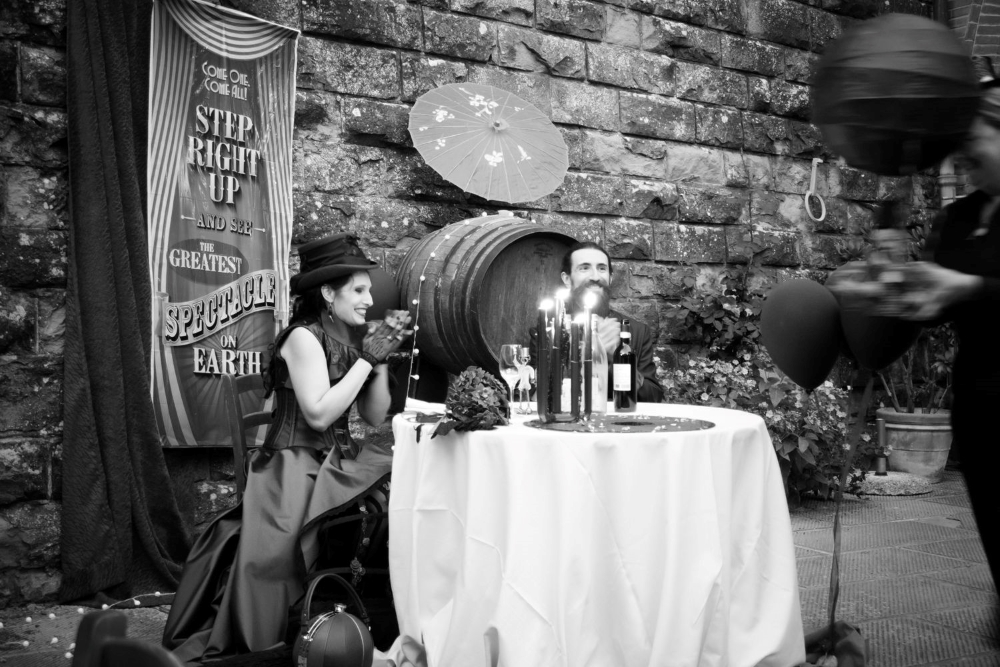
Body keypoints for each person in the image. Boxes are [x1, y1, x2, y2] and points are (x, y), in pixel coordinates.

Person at [162, 233, 412, 664]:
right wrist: (367, 360)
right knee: (280, 549)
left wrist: (382, 359)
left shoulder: (351, 337)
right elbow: (316, 415)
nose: (370, 298)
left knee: (403, 490)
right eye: (359, 289)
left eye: (368, 289)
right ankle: (288, 626)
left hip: (337, 456)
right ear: (328, 293)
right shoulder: (302, 338)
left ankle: (365, 613)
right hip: (292, 461)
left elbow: (374, 417)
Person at [894, 86, 1000, 596]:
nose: (963, 155)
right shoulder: (957, 219)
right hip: (979, 409)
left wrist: (973, 287)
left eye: (973, 141)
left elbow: (966, 289)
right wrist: (905, 295)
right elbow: (937, 300)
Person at [560, 241, 664, 403]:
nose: (595, 276)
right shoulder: (550, 331)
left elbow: (653, 397)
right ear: (567, 279)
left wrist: (616, 360)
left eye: (602, 268)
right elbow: (538, 396)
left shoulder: (636, 331)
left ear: (610, 277)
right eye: (584, 268)